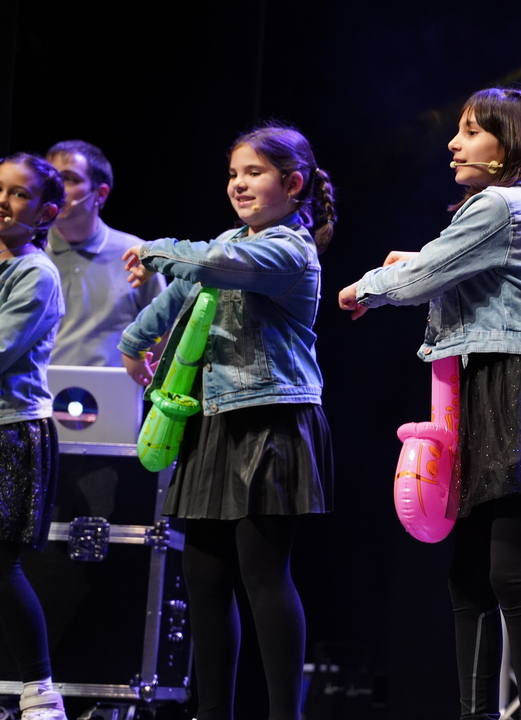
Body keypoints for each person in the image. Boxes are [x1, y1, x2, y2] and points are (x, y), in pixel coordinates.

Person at [338, 87, 521, 720]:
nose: (453, 143)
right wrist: (418, 262)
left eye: (470, 132)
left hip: (518, 389)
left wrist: (367, 288)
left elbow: (423, 278)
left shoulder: (499, 203)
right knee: (469, 574)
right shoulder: (504, 206)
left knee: (509, 572)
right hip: (492, 386)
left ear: (508, 146)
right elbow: (452, 267)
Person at [118, 125, 336, 720]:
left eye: (253, 173)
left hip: (270, 417)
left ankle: (284, 714)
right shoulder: (230, 240)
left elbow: (213, 266)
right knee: (203, 573)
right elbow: (177, 296)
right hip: (213, 418)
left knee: (262, 573)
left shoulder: (289, 250)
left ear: (293, 184)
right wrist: (134, 342)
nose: (238, 184)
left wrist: (155, 250)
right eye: (234, 173)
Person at [0, 153, 67, 720]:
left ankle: (39, 690)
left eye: (19, 194)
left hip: (10, 433)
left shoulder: (35, 274)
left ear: (45, 213)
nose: (3, 201)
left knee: (0, 564)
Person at [45, 140, 166, 367]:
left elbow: (163, 335)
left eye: (69, 179)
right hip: (37, 388)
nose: (56, 188)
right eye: (51, 178)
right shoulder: (27, 253)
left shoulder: (137, 254)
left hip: (113, 387)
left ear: (100, 193)